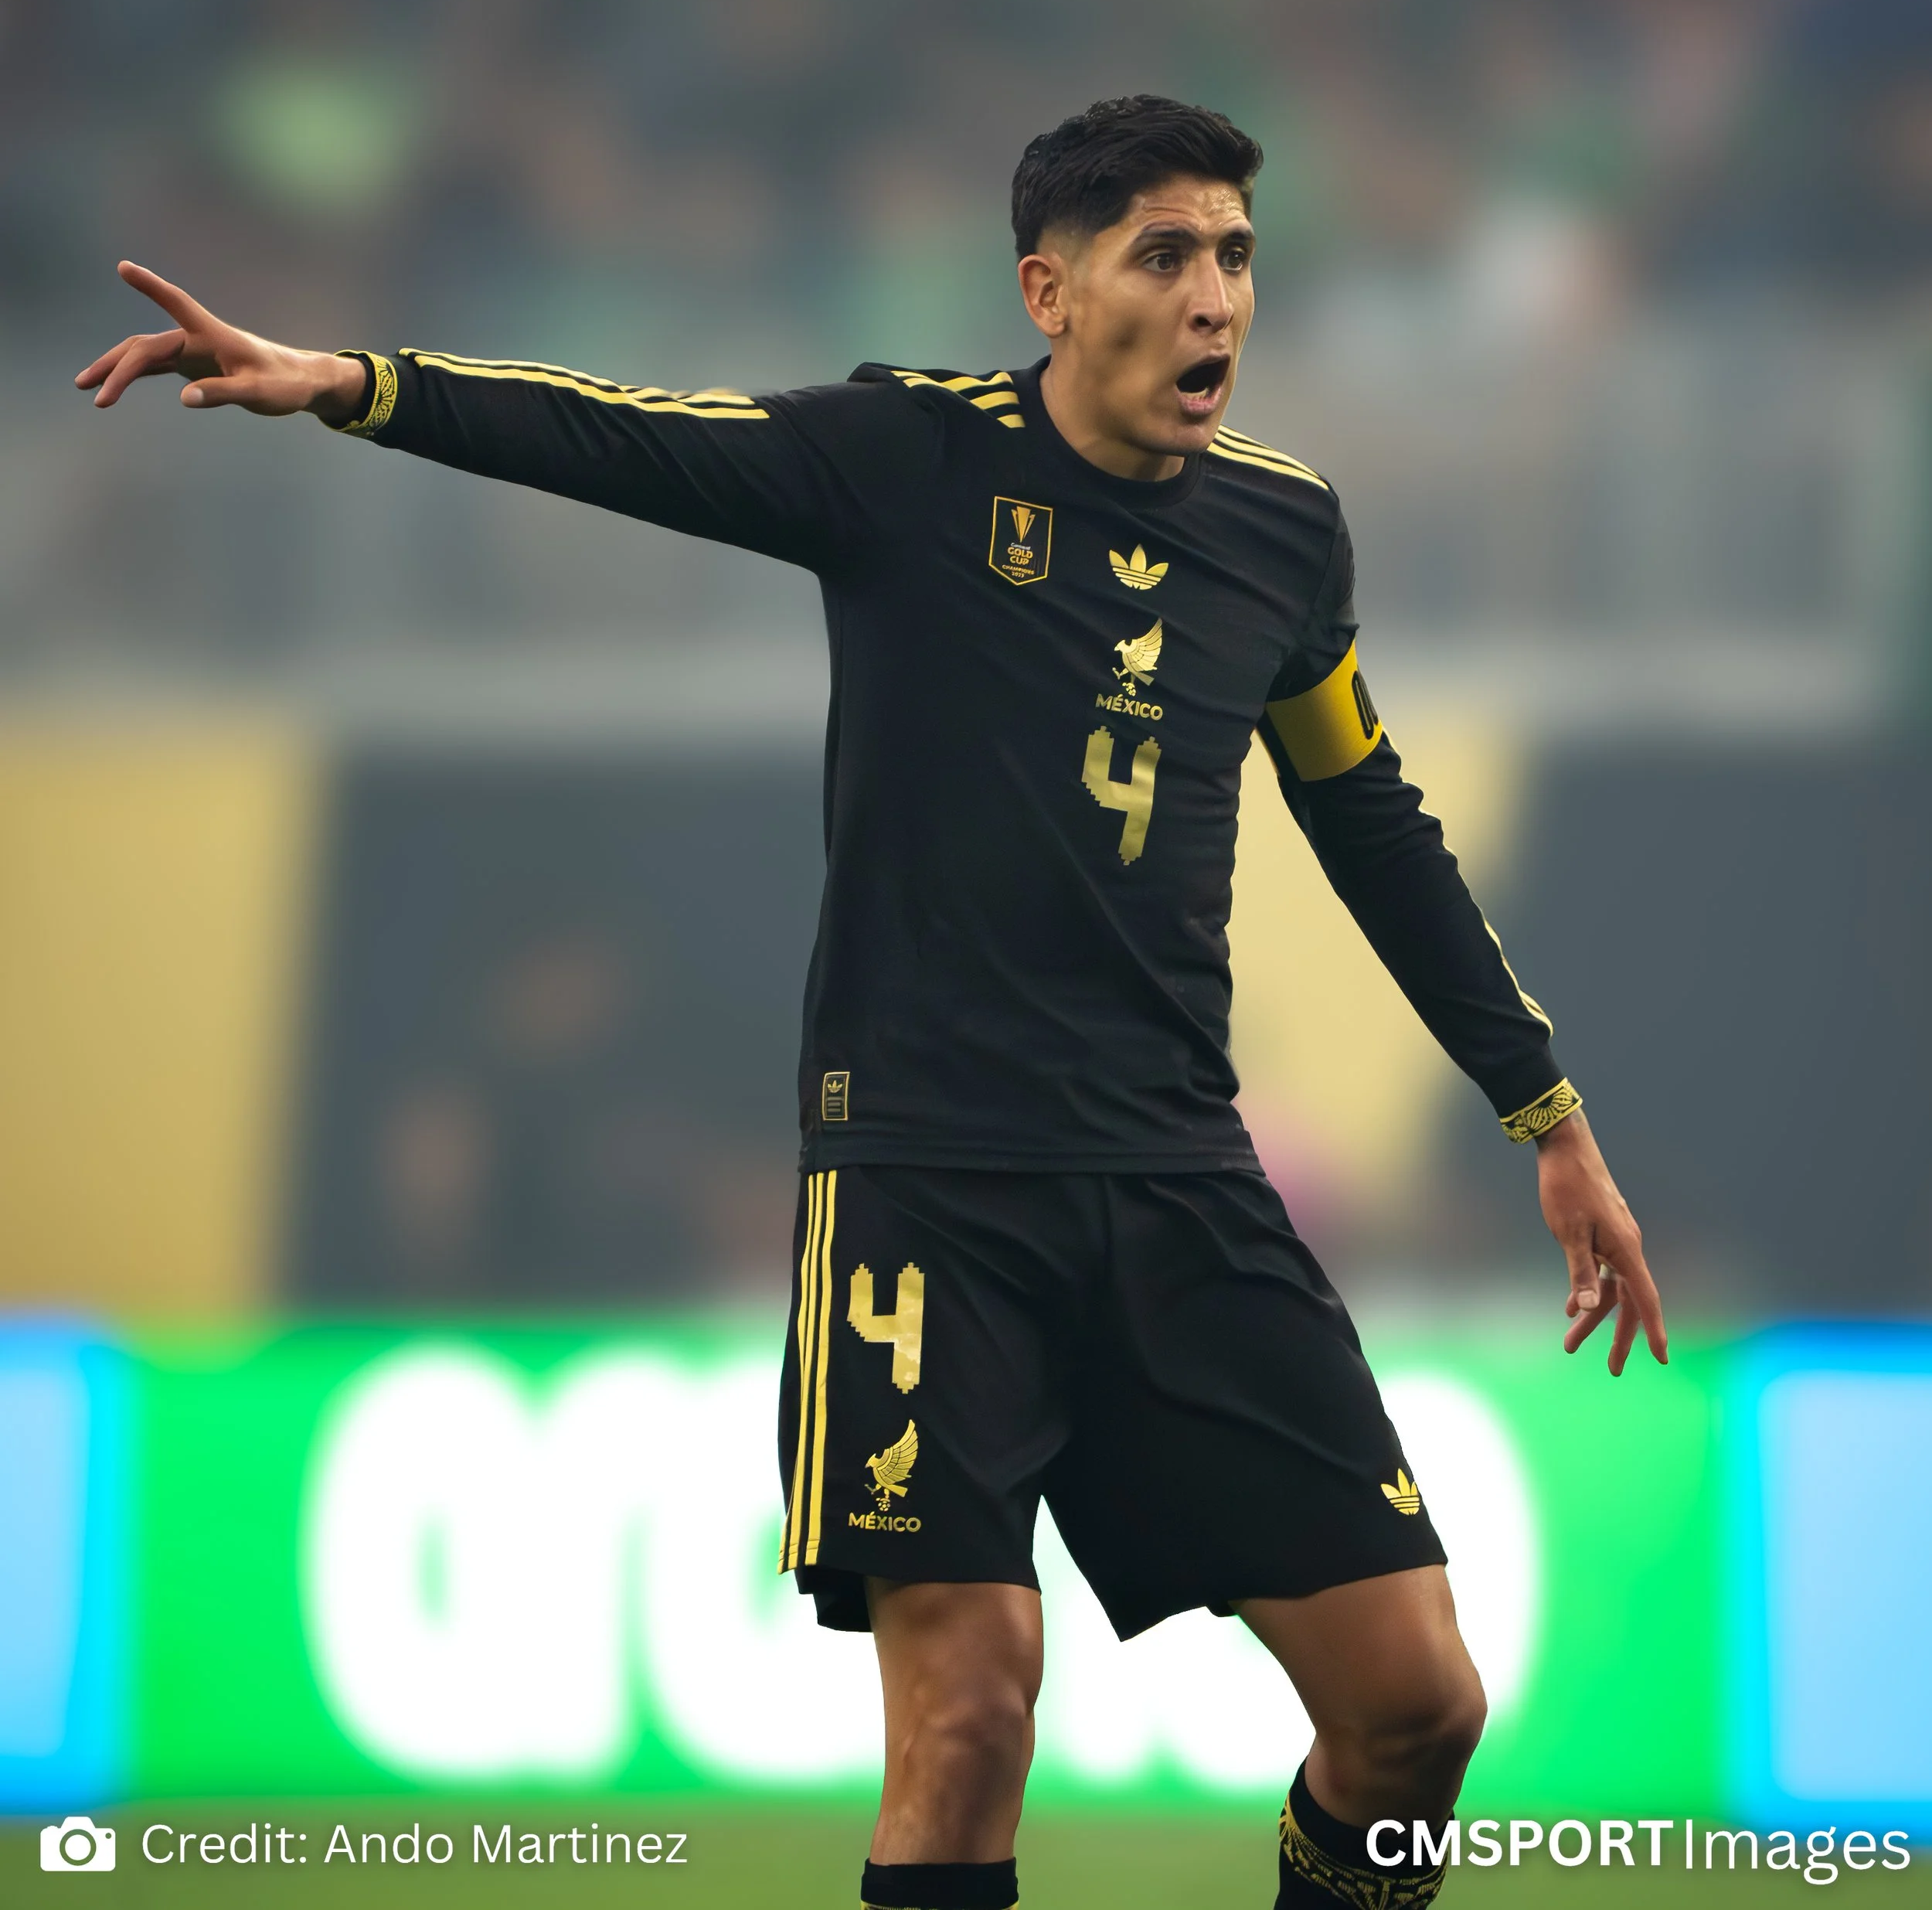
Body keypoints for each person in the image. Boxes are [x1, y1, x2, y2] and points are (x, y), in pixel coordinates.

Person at [79, 94, 1665, 1910]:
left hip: (1175, 1179)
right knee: (971, 1714)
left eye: (1233, 251)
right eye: (1164, 252)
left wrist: (1544, 1114)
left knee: (1416, 1708)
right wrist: (348, 380)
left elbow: (1372, 822)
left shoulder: (1283, 540)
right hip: (929, 1187)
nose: (1215, 293)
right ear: (1049, 291)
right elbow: (627, 437)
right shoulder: (907, 457)